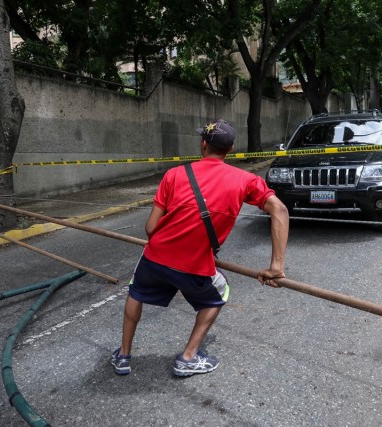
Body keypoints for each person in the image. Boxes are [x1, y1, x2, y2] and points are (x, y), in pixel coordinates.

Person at [110, 119, 289, 377]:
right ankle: (188, 357)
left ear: (203, 145)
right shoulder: (246, 180)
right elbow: (279, 210)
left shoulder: (174, 175)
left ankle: (123, 356)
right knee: (219, 291)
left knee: (136, 292)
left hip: (156, 257)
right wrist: (276, 267)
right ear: (231, 149)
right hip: (194, 265)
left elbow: (150, 229)